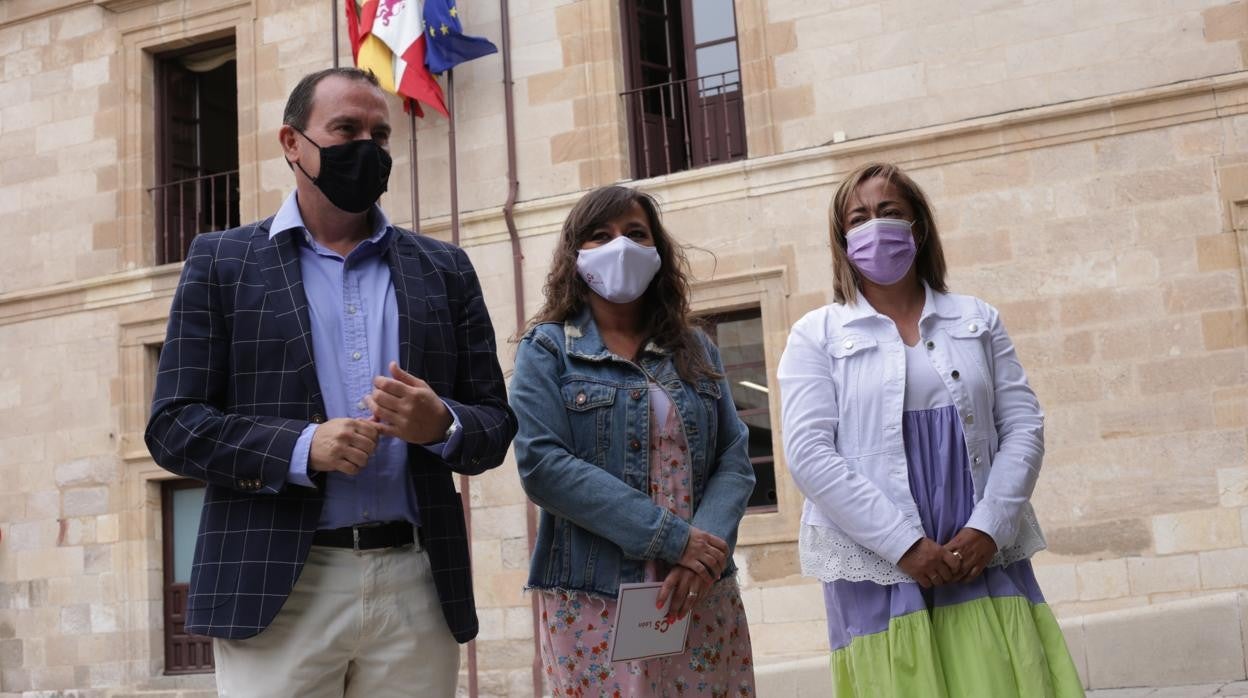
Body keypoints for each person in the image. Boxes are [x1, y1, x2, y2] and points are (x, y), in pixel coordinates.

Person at [145, 67, 517, 697]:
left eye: (379, 134)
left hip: (418, 585)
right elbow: (174, 426)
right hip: (277, 587)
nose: (366, 148)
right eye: (345, 129)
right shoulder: (221, 262)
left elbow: (495, 423)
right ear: (293, 142)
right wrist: (300, 448)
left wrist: (443, 425)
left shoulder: (445, 268)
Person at [776, 162, 1083, 696]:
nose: (875, 225)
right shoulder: (816, 334)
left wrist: (989, 527)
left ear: (917, 227)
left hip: (977, 559)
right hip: (881, 569)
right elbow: (808, 454)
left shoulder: (977, 319)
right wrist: (904, 545)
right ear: (842, 239)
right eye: (859, 217)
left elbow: (1023, 425)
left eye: (889, 211)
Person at [509, 185, 758, 696]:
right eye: (600, 236)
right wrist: (674, 540)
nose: (619, 245)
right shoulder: (548, 349)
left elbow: (733, 458)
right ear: (575, 256)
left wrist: (703, 555)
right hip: (596, 596)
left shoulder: (696, 348)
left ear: (657, 251)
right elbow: (542, 465)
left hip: (698, 591)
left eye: (635, 233)